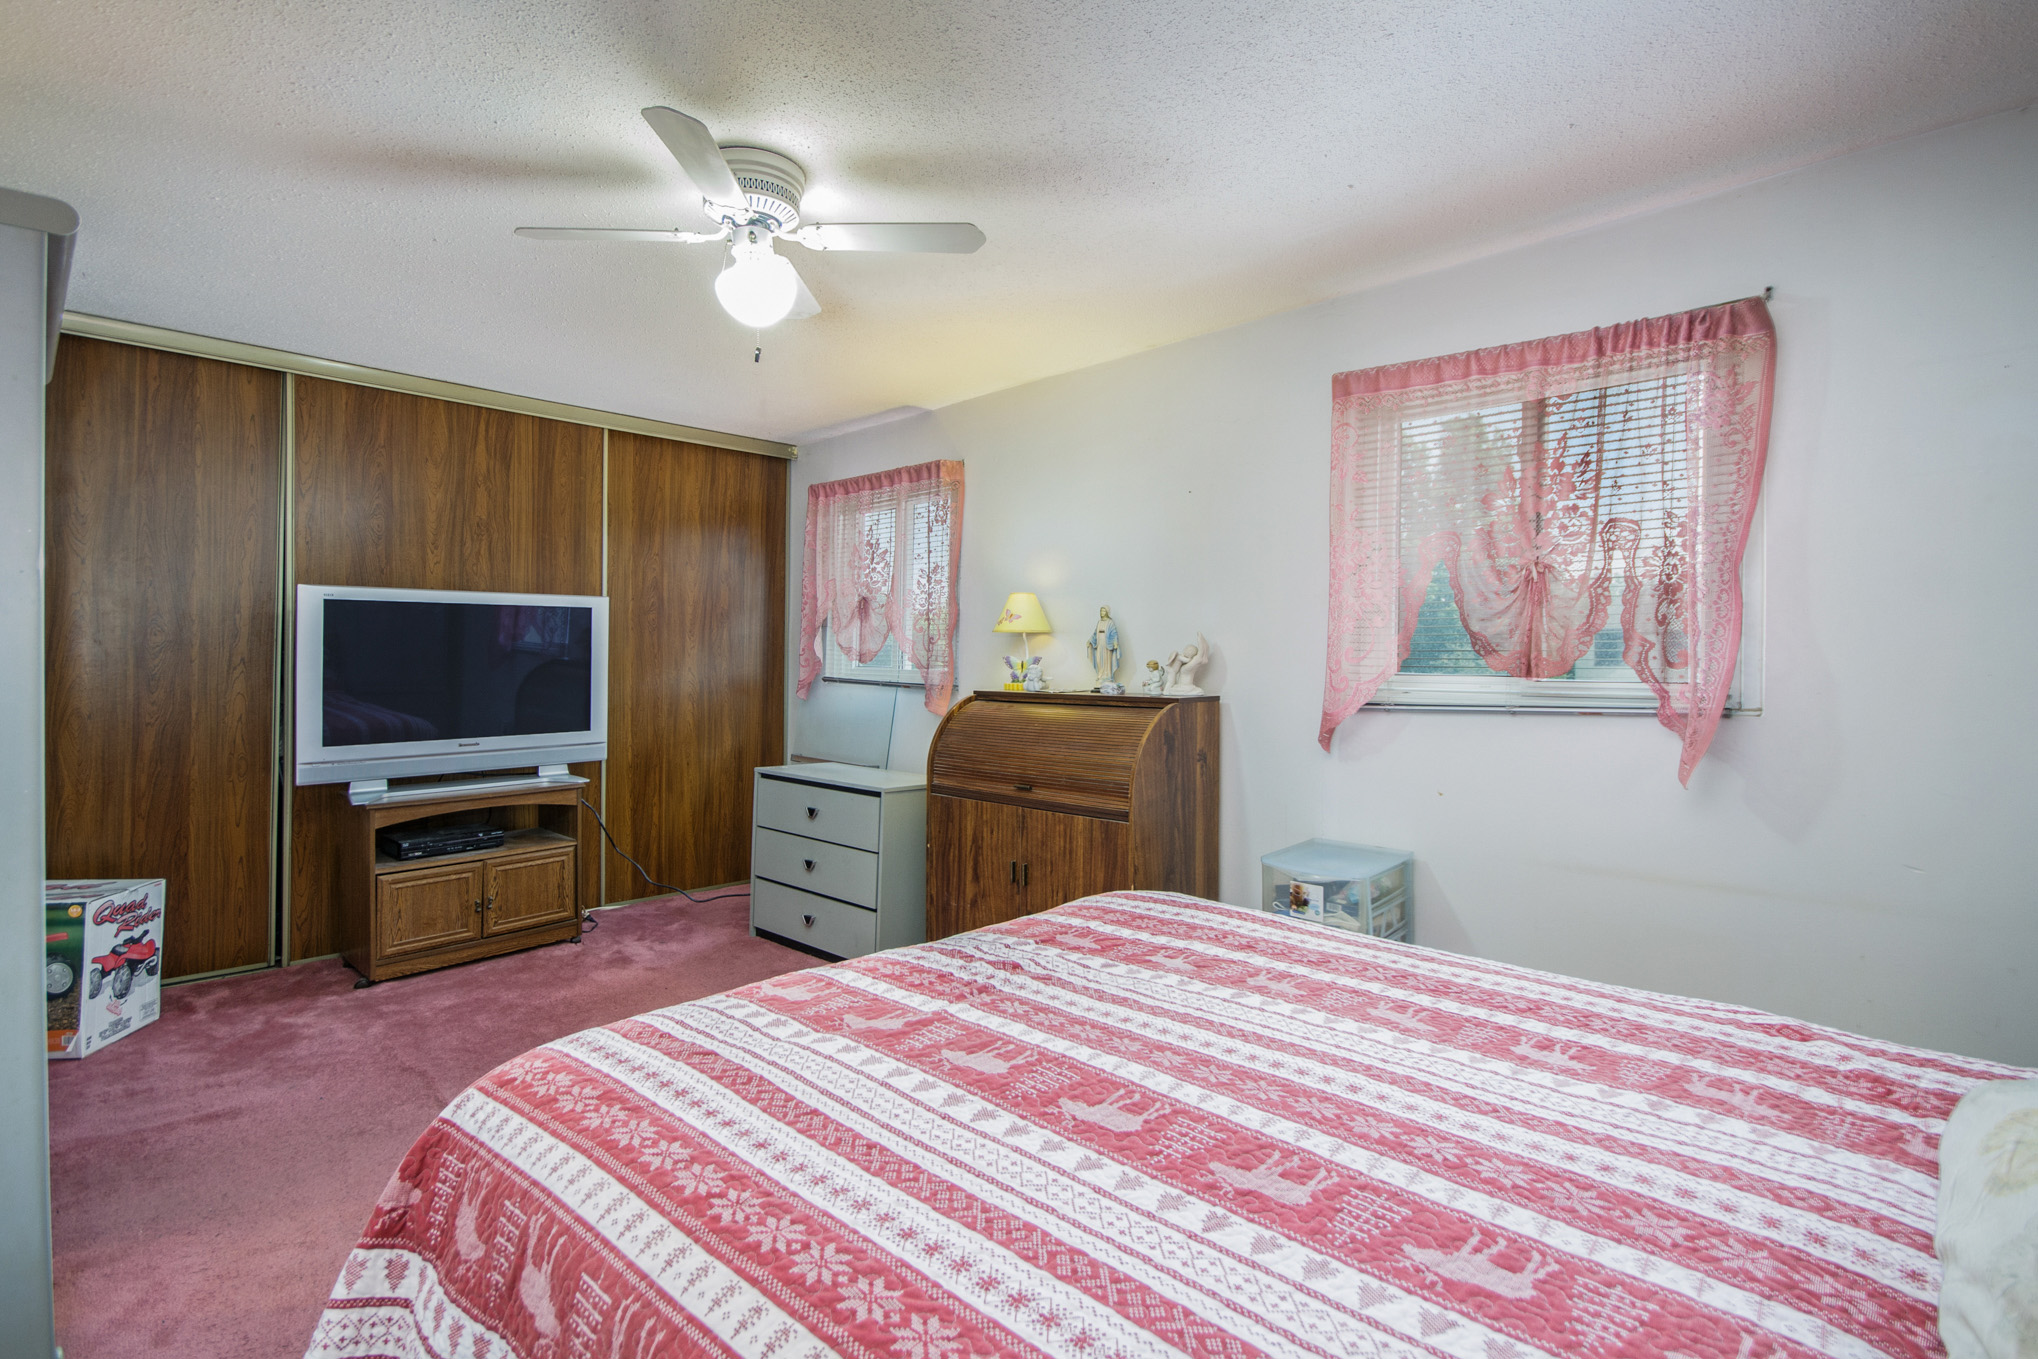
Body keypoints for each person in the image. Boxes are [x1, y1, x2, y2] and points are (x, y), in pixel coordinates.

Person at [1087, 606, 1121, 690]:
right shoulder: (1099, 622)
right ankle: (1100, 675)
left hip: (1107, 646)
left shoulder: (1110, 622)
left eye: (1103, 611)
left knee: (1106, 662)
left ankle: (1107, 677)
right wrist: (1090, 640)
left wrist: (1115, 642)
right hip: (1099, 645)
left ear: (1107, 612)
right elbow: (1095, 634)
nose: (1102, 613)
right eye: (1101, 611)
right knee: (1099, 660)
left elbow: (1114, 633)